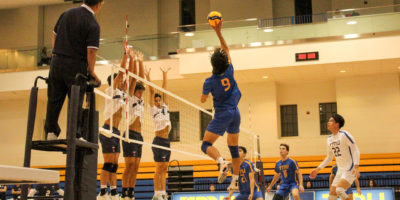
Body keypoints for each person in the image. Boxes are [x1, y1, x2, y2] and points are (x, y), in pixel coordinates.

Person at [45, 0, 102, 140]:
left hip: (56, 62)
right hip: (76, 66)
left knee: (54, 99)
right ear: (99, 4)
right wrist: (91, 70)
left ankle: (51, 132)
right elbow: (91, 52)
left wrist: (57, 53)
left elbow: (55, 35)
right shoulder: (92, 23)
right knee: (75, 101)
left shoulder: (66, 13)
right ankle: (74, 134)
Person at [200, 17, 242, 191]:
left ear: (212, 64)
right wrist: (218, 32)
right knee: (234, 149)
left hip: (222, 114)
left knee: (205, 145)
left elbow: (203, 99)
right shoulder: (230, 70)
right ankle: (236, 180)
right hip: (235, 113)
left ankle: (220, 161)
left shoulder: (209, 81)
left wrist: (207, 95)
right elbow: (225, 48)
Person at [97, 47, 133, 200]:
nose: (123, 82)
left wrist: (131, 60)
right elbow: (121, 73)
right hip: (107, 129)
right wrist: (125, 54)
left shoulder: (123, 94)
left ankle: (113, 191)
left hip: (116, 131)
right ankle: (103, 191)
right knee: (108, 162)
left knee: (114, 164)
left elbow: (128, 76)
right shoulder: (110, 90)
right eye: (120, 81)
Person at [310, 114, 360, 200]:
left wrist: (356, 166)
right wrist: (317, 169)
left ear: (337, 124)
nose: (328, 123)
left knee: (339, 190)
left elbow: (355, 149)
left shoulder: (344, 134)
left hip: (349, 168)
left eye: (331, 121)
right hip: (340, 170)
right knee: (332, 194)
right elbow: (329, 158)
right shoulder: (329, 139)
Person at [121, 50, 145, 200]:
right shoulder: (130, 97)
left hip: (139, 136)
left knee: (136, 166)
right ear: (134, 91)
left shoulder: (141, 101)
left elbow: (142, 79)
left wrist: (141, 61)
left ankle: (131, 192)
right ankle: (124, 193)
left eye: (142, 92)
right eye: (139, 92)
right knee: (129, 165)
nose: (141, 94)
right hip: (129, 133)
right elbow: (136, 78)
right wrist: (135, 61)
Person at [145, 66, 172, 200]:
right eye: (155, 101)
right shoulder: (152, 110)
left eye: (158, 100)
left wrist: (165, 74)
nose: (157, 102)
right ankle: (156, 193)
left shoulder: (165, 106)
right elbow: (151, 92)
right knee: (159, 167)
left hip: (167, 142)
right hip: (159, 141)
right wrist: (148, 77)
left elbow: (164, 90)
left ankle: (163, 192)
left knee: (164, 168)